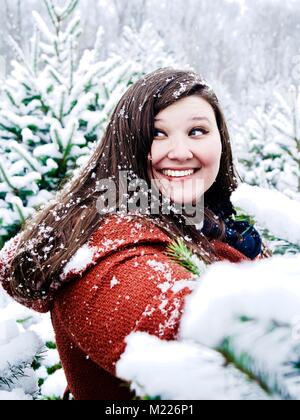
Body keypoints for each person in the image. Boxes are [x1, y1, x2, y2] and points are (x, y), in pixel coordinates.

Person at [0, 68, 271, 400]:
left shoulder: (220, 225)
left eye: (197, 131)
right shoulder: (107, 254)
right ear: (126, 147)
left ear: (221, 140)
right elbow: (224, 352)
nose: (181, 151)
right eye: (157, 134)